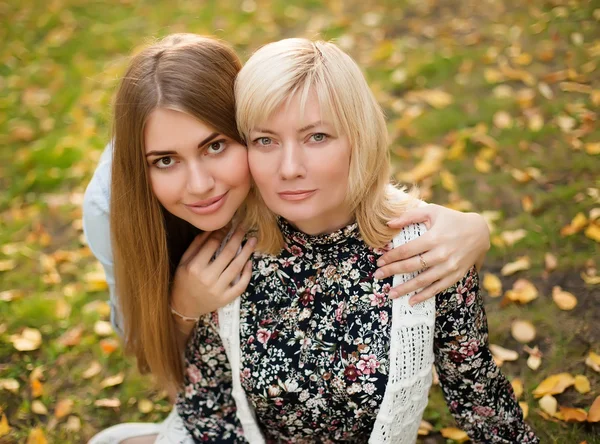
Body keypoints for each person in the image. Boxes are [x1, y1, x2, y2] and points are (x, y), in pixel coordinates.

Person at [85, 34, 492, 443]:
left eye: (215, 145)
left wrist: (475, 227)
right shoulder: (112, 208)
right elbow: (181, 380)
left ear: (242, 129)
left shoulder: (300, 203)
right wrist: (182, 310)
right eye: (166, 161)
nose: (199, 185)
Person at [173, 39, 539, 443]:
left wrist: (477, 228)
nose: (290, 168)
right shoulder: (234, 253)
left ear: (358, 139)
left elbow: (479, 397)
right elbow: (208, 407)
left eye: (316, 137)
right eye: (265, 141)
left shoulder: (425, 250)